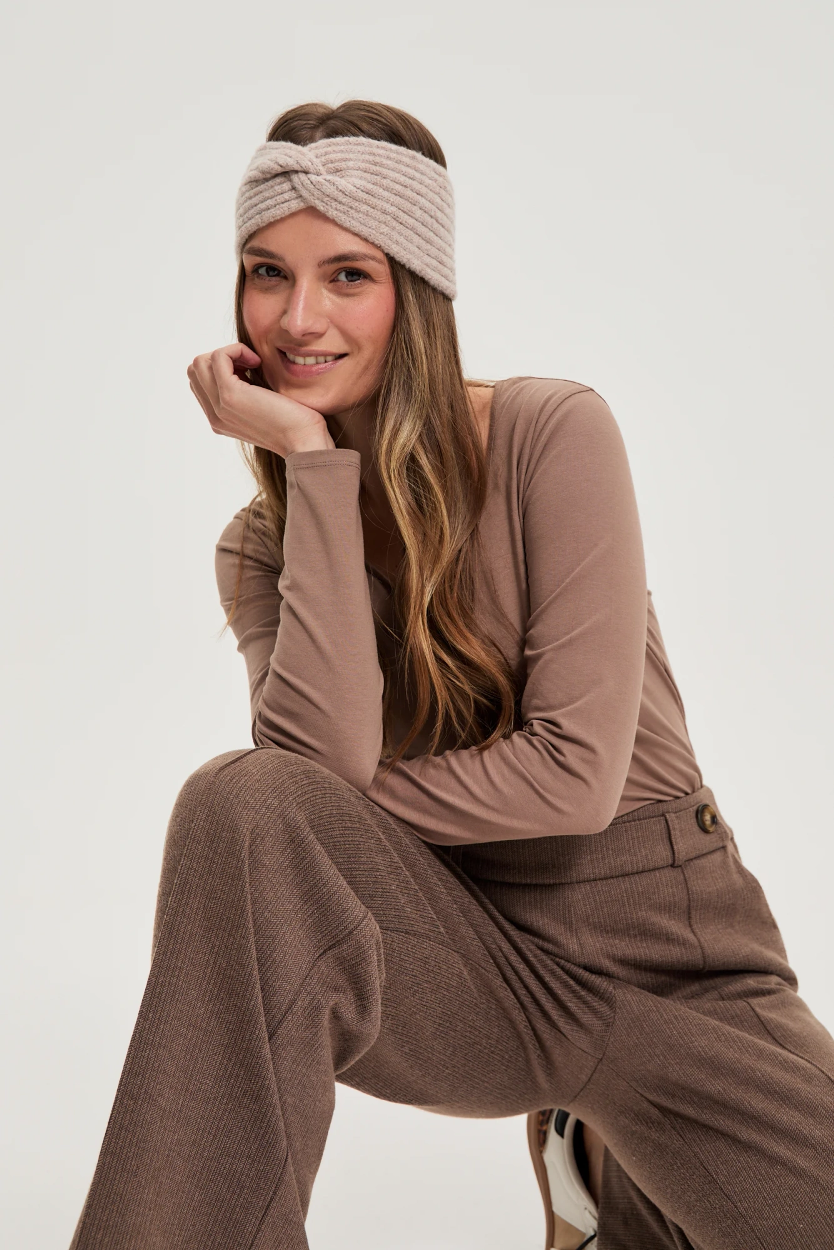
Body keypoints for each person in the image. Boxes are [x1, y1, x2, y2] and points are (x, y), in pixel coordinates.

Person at [67, 99, 834, 1250]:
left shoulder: (550, 433)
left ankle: (605, 1164)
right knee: (246, 803)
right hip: (468, 970)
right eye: (267, 273)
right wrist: (311, 463)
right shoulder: (262, 547)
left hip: (675, 967)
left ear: (416, 290)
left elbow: (575, 775)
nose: (298, 317)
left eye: (348, 275)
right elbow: (303, 795)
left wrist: (355, 807)